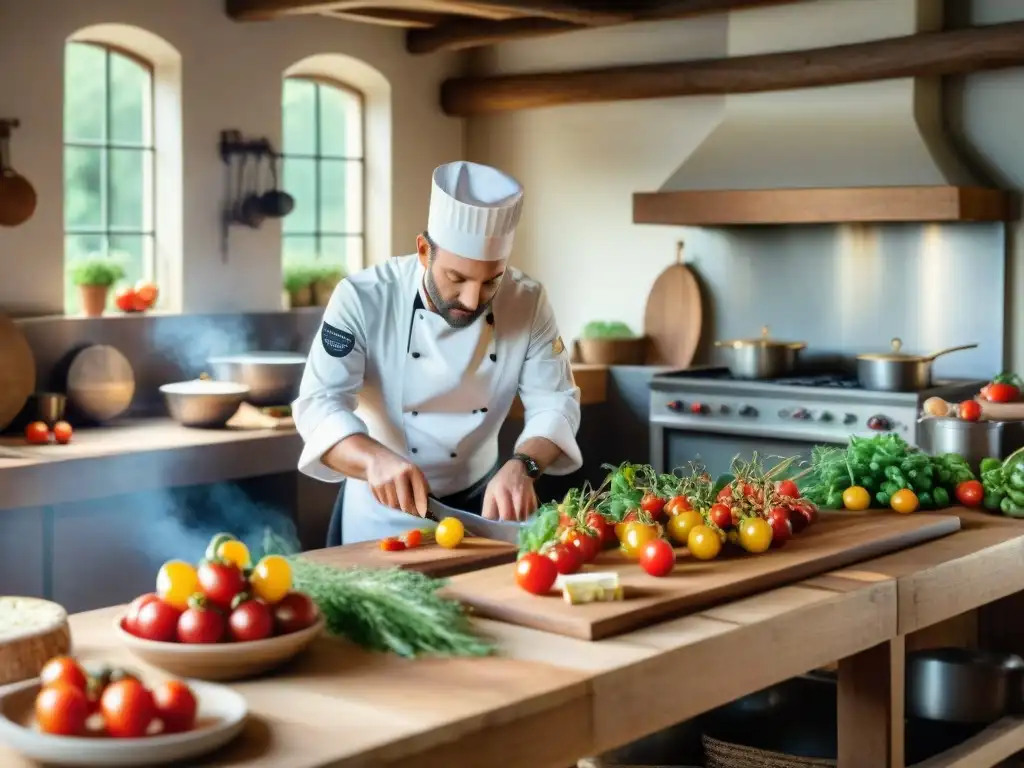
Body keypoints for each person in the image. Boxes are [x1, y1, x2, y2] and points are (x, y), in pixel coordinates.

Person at [293, 160, 583, 545]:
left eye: (490, 281)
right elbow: (319, 404)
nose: (471, 299)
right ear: (424, 251)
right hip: (380, 515)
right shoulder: (363, 298)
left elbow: (555, 401)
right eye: (456, 278)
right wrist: (373, 459)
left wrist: (524, 465)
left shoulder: (528, 301)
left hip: (483, 509)